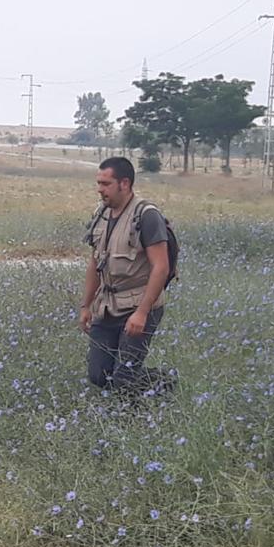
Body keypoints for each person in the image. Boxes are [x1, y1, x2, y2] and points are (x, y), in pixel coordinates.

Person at [79, 157, 174, 396]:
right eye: (98, 183)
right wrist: (85, 305)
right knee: (99, 375)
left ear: (125, 183)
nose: (100, 189)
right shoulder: (101, 215)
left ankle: (131, 420)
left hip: (139, 305)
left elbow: (160, 267)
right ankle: (160, 381)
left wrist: (142, 313)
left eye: (106, 183)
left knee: (124, 378)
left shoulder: (147, 216)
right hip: (107, 306)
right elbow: (94, 263)